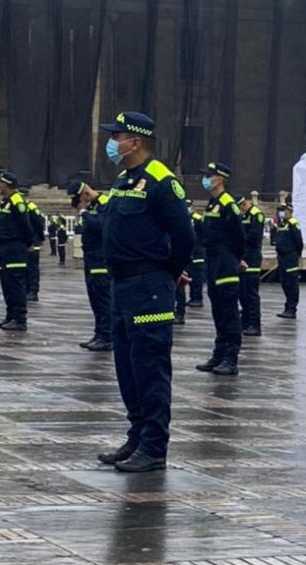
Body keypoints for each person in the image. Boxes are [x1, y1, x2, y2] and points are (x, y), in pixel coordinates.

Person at [95, 111, 195, 473]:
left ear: (134, 141)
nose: (111, 142)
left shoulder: (161, 181)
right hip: (122, 285)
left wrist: (167, 273)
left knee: (149, 367)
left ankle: (154, 446)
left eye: (116, 136)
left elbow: (184, 235)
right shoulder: (124, 179)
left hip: (149, 285)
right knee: (127, 367)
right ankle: (137, 435)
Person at [194, 162, 247, 377]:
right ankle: (218, 355)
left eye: (210, 175)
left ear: (220, 178)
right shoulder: (212, 203)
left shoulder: (227, 204)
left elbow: (239, 236)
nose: (206, 179)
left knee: (229, 311)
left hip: (225, 261)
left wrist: (236, 259)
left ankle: (230, 359)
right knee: (217, 310)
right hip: (213, 260)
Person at [67, 180, 112, 351]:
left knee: (103, 299)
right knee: (94, 298)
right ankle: (99, 333)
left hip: (101, 258)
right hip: (91, 257)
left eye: (79, 199)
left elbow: (101, 226)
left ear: (85, 194)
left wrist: (84, 212)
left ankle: (107, 336)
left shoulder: (104, 203)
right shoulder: (92, 206)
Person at [0, 170, 33, 332]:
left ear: (7, 185)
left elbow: (24, 224)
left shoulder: (16, 200)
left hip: (14, 248)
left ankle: (20, 318)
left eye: (1, 183)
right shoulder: (6, 201)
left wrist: (27, 243)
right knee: (7, 284)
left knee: (16, 284)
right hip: (4, 249)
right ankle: (10, 316)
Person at [239, 196, 265, 336]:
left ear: (246, 203)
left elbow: (254, 236)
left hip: (252, 258)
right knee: (243, 293)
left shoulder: (256, 215)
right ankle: (246, 321)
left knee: (251, 293)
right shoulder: (244, 215)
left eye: (241, 206)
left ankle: (255, 324)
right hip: (244, 257)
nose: (241, 209)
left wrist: (240, 239)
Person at [271, 204, 303, 318]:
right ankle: (287, 307)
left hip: (290, 258)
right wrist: (273, 229)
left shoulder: (293, 223)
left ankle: (292, 309)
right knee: (284, 283)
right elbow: (274, 241)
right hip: (282, 258)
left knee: (291, 284)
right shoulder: (281, 224)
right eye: (279, 211)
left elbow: (298, 241)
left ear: (290, 211)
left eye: (283, 211)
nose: (281, 213)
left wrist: (296, 255)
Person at [25, 191, 45, 302]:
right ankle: (27, 290)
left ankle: (33, 291)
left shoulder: (31, 207)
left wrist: (39, 239)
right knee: (26, 268)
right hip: (26, 243)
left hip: (33, 242)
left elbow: (38, 223)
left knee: (32, 268)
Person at [187, 201, 206, 308]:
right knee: (190, 276)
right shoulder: (184, 217)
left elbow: (204, 233)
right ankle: (192, 297)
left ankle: (198, 298)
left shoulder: (197, 218)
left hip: (198, 252)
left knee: (197, 277)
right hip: (189, 252)